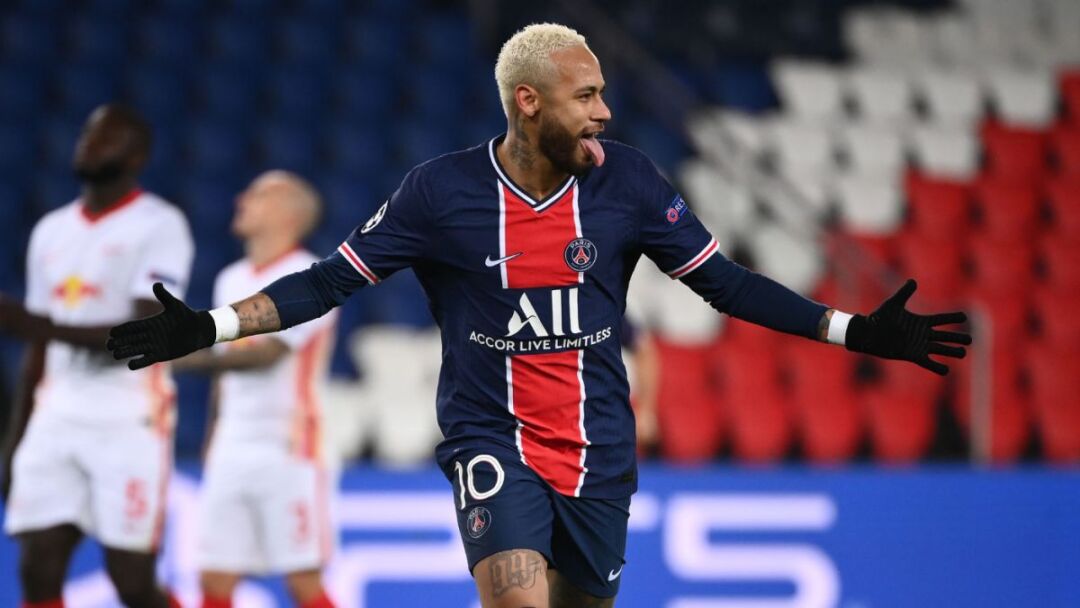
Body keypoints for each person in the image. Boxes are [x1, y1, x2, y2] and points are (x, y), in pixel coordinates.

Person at [106, 24, 971, 608]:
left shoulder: (629, 182)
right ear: (529, 101)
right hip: (491, 439)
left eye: (603, 94)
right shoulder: (440, 193)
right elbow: (331, 281)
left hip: (598, 450)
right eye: (585, 96)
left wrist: (854, 330)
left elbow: (727, 285)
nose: (604, 112)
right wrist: (211, 326)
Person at [1, 104, 193, 608]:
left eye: (109, 137)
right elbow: (39, 349)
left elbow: (146, 333)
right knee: (37, 566)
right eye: (88, 133)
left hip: (127, 417)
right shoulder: (50, 230)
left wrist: (36, 325)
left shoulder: (159, 225)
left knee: (130, 580)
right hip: (56, 415)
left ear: (137, 156)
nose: (90, 144)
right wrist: (15, 440)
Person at [171, 171, 337, 608]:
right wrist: (214, 432)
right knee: (214, 576)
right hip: (232, 444)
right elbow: (226, 368)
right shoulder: (231, 278)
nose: (242, 199)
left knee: (302, 580)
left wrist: (184, 357)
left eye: (260, 194)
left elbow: (267, 354)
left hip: (289, 447)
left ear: (289, 214)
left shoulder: (311, 278)